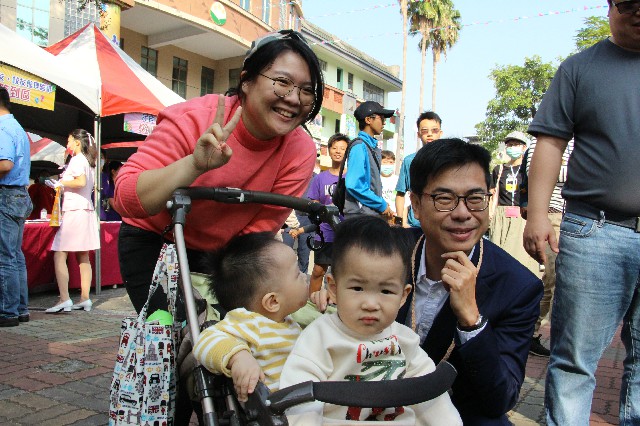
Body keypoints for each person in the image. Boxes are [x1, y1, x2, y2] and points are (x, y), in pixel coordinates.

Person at [114, 30, 324, 317]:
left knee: (230, 336)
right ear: (246, 80)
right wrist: (194, 165)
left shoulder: (300, 150)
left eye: (306, 90)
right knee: (174, 339)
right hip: (155, 241)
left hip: (227, 257)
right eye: (282, 82)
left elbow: (259, 230)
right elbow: (126, 198)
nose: (293, 99)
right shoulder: (194, 118)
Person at [524, 2, 640, 424]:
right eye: (627, 2)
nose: (637, 11)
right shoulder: (579, 69)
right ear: (610, 6)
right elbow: (550, 143)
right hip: (595, 230)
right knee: (574, 360)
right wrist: (537, 214)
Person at [396, 139, 541, 424]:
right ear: (415, 203)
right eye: (445, 199)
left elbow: (500, 398)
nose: (463, 213)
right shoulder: (389, 252)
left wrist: (472, 321)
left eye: (475, 198)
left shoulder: (517, 287)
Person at [281, 215, 462, 425]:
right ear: (333, 288)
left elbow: (431, 395)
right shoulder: (319, 338)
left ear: (403, 296)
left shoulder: (405, 340)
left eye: (386, 291)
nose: (371, 304)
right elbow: (300, 400)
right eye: (357, 288)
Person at [192, 232, 308, 402]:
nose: (305, 276)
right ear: (273, 301)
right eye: (298, 274)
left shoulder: (289, 323)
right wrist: (238, 358)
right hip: (279, 411)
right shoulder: (251, 323)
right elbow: (205, 341)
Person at [519, 139, 574, 358]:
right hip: (551, 217)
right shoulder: (540, 142)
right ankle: (530, 334)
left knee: (568, 283)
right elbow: (532, 177)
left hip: (577, 217)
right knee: (551, 281)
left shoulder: (581, 140)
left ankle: (565, 340)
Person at [45, 129, 100, 314]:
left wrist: (61, 183)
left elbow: (80, 182)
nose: (67, 144)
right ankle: (84, 298)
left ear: (77, 141)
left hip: (75, 210)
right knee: (83, 255)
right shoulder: (89, 160)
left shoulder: (77, 160)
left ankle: (64, 298)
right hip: (85, 210)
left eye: (69, 140)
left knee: (60, 253)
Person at [290, 133, 348, 293]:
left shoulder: (352, 178)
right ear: (329, 151)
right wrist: (321, 208)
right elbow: (313, 202)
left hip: (346, 233)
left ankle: (338, 306)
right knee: (318, 271)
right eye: (335, 148)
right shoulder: (320, 178)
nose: (338, 151)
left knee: (343, 275)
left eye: (343, 148)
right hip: (325, 233)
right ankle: (313, 304)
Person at [0, 87, 33, 327]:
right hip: (19, 196)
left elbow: (5, 164)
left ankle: (7, 311)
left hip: (7, 195)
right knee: (15, 256)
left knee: (6, 257)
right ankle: (20, 309)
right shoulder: (17, 127)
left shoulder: (3, 128)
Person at [489, 131, 540, 276]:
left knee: (521, 260)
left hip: (522, 217)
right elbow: (493, 193)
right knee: (499, 257)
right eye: (510, 145)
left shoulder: (529, 169)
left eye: (516, 144)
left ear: (524, 147)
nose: (512, 147)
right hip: (501, 217)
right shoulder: (499, 170)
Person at [343, 101, 394, 220]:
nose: (384, 122)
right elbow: (354, 184)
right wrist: (381, 205)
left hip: (368, 216)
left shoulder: (370, 147)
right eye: (381, 118)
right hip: (359, 217)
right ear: (368, 120)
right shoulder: (359, 147)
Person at [395, 111, 443, 227]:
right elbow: (400, 194)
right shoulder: (409, 161)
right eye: (425, 131)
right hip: (415, 225)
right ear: (418, 134)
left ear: (440, 133)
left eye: (434, 131)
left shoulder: (450, 162)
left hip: (442, 224)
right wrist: (400, 223)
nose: (429, 134)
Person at [380, 149, 399, 224]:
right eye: (384, 162)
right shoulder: (375, 180)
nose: (388, 165)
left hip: (395, 220)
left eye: (390, 162)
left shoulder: (398, 180)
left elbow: (405, 203)